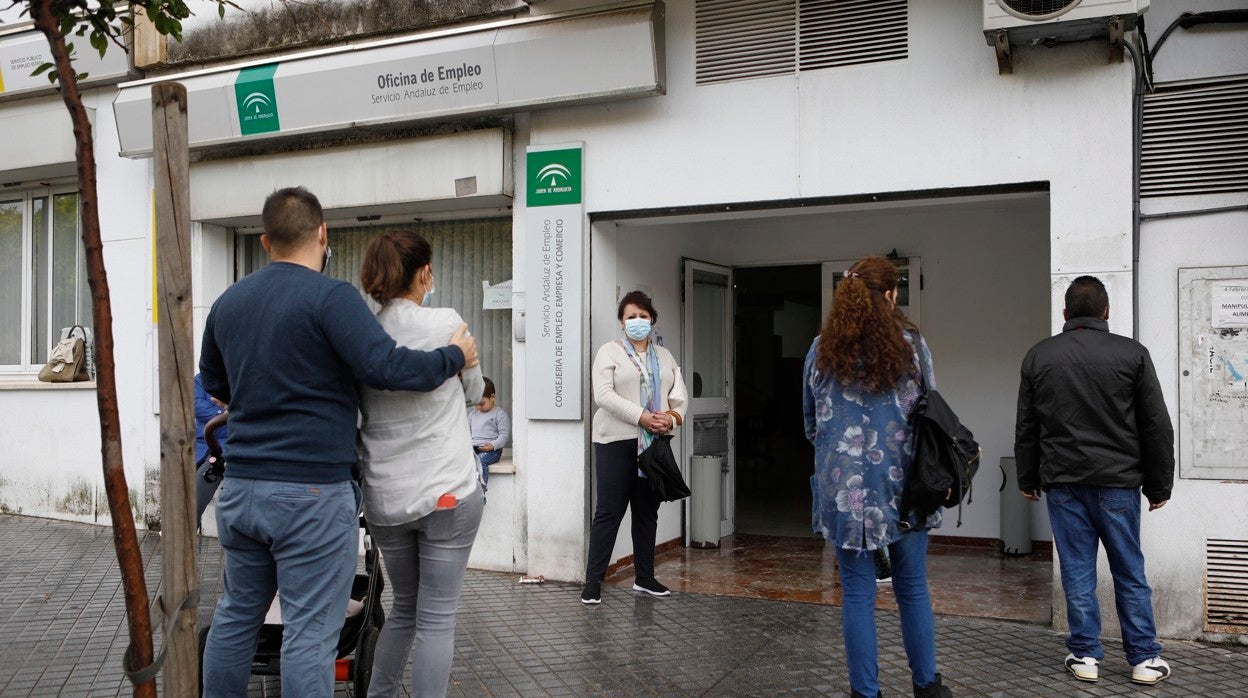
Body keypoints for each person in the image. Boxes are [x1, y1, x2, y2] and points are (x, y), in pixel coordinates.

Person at [198, 187, 477, 697]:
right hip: (310, 495)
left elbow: (213, 382)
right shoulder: (331, 298)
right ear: (322, 233)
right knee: (308, 635)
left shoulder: (229, 301)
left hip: (241, 491)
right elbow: (386, 366)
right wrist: (453, 358)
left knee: (235, 619)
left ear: (265, 241)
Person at [801, 256, 953, 698]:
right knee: (912, 587)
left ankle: (865, 693)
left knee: (857, 594)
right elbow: (931, 410)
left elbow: (811, 424)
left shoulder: (820, 347)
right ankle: (927, 686)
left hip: (842, 488)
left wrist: (842, 458)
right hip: (905, 485)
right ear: (891, 294)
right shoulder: (912, 345)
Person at [1014, 275, 1174, 686]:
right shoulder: (1132, 354)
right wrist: (1159, 486)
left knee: (1077, 569)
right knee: (1129, 569)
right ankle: (1144, 659)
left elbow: (1027, 426)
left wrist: (1027, 476)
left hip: (1063, 484)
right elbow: (1156, 425)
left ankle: (1085, 654)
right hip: (1118, 484)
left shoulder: (1039, 356)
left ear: (1065, 314)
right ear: (1106, 312)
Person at [356, 230, 486, 698]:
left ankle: (380, 694)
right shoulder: (446, 321)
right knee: (437, 619)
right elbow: (474, 393)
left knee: (405, 608)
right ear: (424, 272)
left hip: (387, 499)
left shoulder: (360, 334)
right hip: (448, 492)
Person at [581, 290, 687, 605]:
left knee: (646, 512)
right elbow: (603, 395)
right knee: (609, 512)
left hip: (653, 446)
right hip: (615, 442)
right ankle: (593, 580)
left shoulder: (665, 356)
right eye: (631, 316)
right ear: (621, 322)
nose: (637, 322)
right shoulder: (609, 352)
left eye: (643, 316)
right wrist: (641, 416)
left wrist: (670, 420)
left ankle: (645, 577)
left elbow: (679, 397)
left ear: (652, 319)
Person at [194, 372, 228, 525]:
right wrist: (224, 413)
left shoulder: (240, 373)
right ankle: (181, 529)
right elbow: (195, 404)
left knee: (207, 476)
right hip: (201, 445)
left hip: (229, 445)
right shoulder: (201, 378)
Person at [468, 376, 511, 485]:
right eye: (475, 404)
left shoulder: (499, 414)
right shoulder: (472, 414)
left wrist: (493, 445)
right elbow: (467, 432)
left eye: (481, 403)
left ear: (492, 397)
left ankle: (481, 489)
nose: (478, 407)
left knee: (481, 461)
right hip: (474, 447)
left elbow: (504, 435)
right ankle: (467, 490)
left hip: (491, 450)